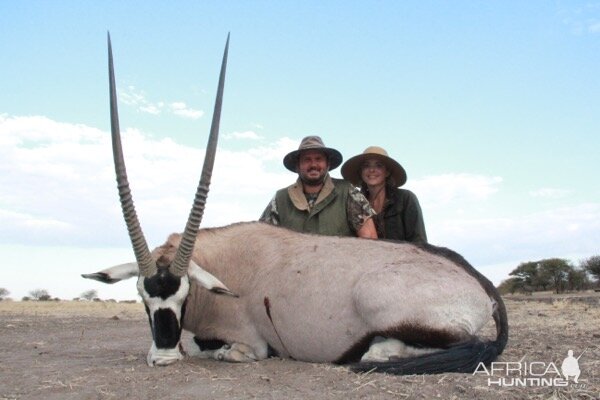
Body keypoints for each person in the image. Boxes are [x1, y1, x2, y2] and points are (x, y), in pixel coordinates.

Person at [260, 136, 378, 238]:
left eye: (318, 159)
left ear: (328, 164)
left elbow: (370, 239)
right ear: (297, 166)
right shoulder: (280, 198)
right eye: (307, 160)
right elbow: (262, 239)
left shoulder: (347, 192)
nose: (313, 165)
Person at [341, 146, 427, 243]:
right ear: (361, 172)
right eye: (366, 166)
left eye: (378, 165)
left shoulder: (406, 198)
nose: (372, 170)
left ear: (387, 172)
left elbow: (419, 240)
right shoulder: (354, 202)